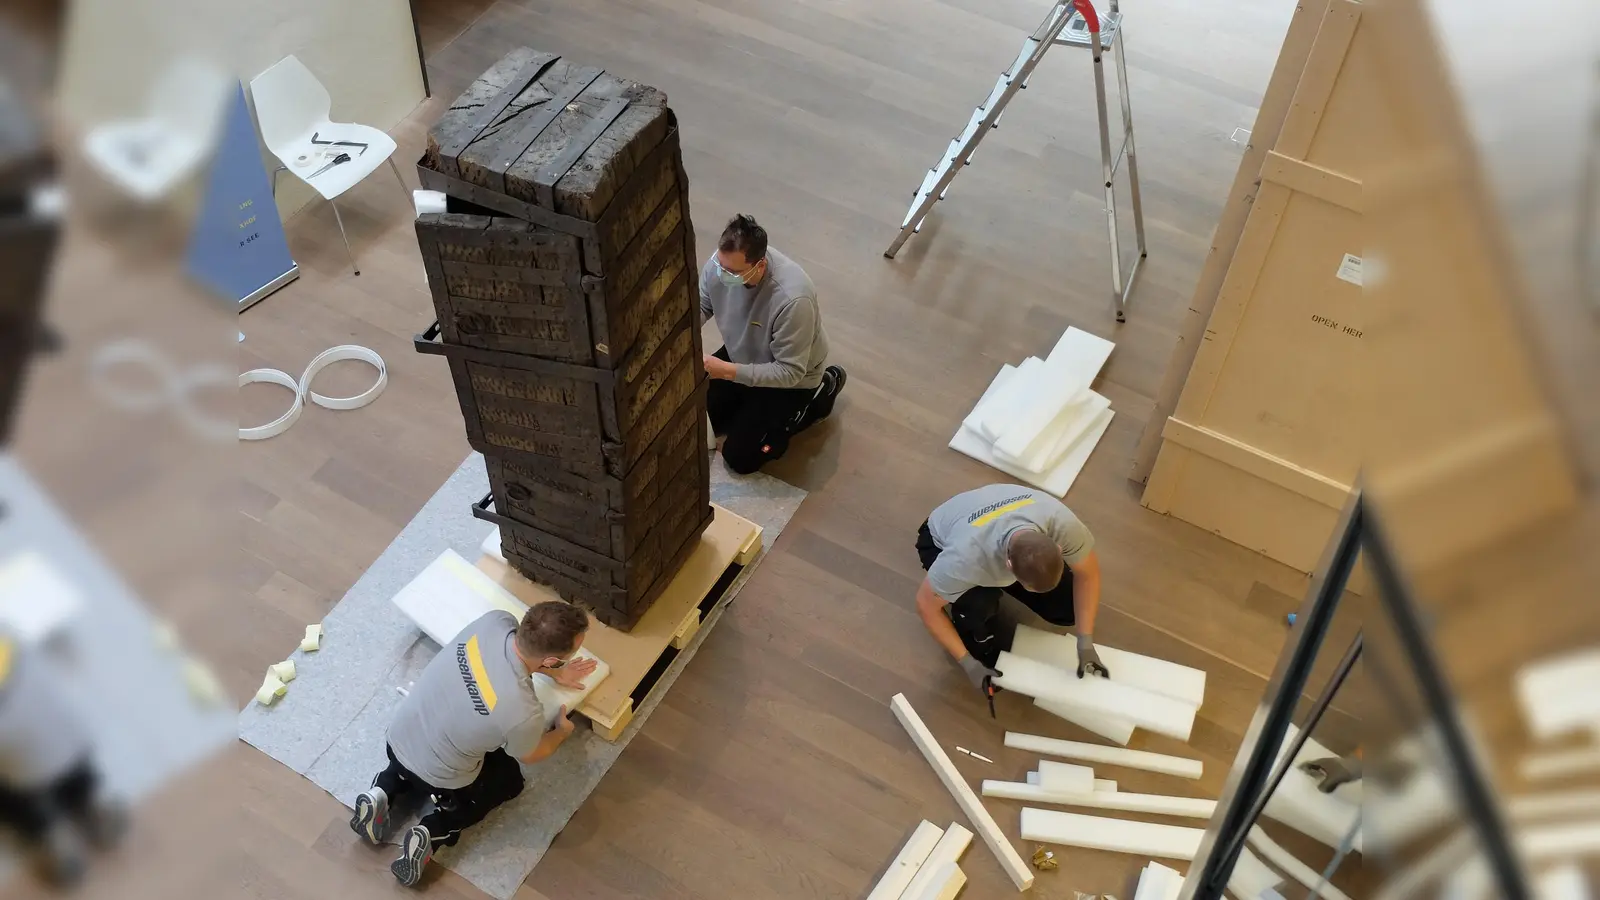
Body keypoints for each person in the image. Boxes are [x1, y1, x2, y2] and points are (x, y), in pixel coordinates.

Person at [350, 602, 597, 887]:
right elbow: (531, 754)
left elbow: (513, 659)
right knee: (509, 780)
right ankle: (434, 830)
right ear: (551, 660)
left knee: (433, 742)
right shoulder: (523, 712)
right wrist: (562, 732)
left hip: (399, 737)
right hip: (441, 778)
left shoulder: (495, 622)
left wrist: (554, 672)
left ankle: (383, 789)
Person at [913, 484, 1110, 694]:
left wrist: (1085, 641)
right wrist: (967, 662)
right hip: (940, 536)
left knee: (1068, 608)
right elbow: (926, 606)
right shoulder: (963, 560)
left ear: (1058, 547)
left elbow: (1088, 575)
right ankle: (973, 633)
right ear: (1008, 566)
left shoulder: (1062, 524)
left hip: (995, 510)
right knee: (978, 603)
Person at [699, 214, 846, 474]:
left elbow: (790, 371)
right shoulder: (718, 265)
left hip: (791, 379)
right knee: (696, 419)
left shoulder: (793, 299)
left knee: (740, 457)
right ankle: (747, 409)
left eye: (733, 273)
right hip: (742, 354)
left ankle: (818, 397)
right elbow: (701, 305)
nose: (723, 276)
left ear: (760, 265)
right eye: (721, 266)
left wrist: (727, 372)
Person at [0, 632, 128, 887]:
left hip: (19, 776)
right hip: (68, 743)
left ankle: (49, 833)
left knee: (16, 776)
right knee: (37, 722)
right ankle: (91, 802)